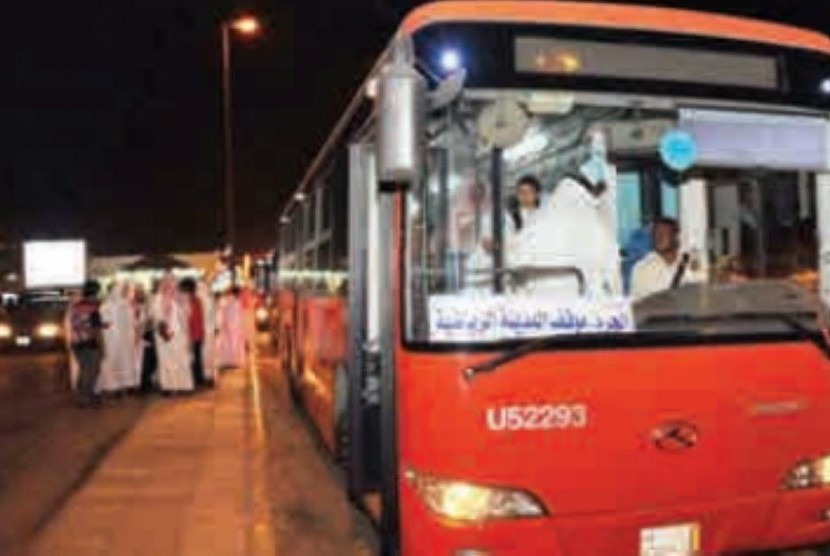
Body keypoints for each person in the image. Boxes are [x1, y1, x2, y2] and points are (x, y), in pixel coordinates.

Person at [630, 217, 702, 302]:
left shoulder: (691, 263)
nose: (658, 237)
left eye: (663, 233)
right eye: (654, 234)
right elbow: (637, 304)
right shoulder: (641, 268)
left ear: (676, 237)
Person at [151, 273, 194, 394]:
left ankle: (183, 386)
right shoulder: (157, 298)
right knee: (166, 361)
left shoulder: (181, 296)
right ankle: (168, 387)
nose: (169, 286)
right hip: (163, 334)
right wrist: (164, 312)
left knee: (181, 360)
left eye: (171, 283)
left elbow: (188, 314)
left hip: (179, 333)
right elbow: (154, 316)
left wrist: (180, 303)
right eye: (166, 283)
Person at [68, 281, 105, 407]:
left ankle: (81, 396)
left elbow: (77, 323)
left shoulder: (76, 306)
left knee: (84, 370)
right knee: (92, 370)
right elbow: (95, 328)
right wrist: (102, 347)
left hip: (77, 343)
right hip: (90, 343)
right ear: (95, 292)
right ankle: (86, 397)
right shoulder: (94, 307)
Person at [180, 278, 206, 388]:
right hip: (198, 333)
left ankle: (195, 379)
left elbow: (191, 319)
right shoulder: (197, 300)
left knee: (193, 358)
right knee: (197, 357)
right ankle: (198, 378)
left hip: (193, 334)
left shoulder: (191, 301)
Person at [217, 287, 245, 369]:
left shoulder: (227, 301)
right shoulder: (234, 302)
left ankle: (228, 361)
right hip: (233, 326)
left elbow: (222, 312)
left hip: (229, 326)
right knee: (234, 344)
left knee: (229, 344)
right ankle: (233, 361)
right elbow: (236, 315)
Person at [197, 281, 218, 386]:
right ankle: (207, 376)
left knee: (207, 354)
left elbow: (213, 315)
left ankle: (208, 376)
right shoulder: (207, 299)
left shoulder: (207, 299)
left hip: (206, 331)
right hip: (205, 331)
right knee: (206, 354)